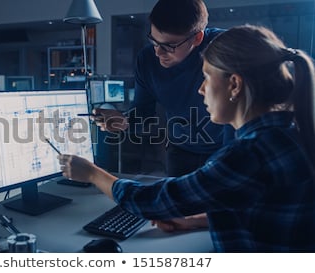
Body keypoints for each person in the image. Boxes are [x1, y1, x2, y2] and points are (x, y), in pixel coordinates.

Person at [59, 24, 315, 252]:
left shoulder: (250, 153)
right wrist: (194, 221)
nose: (200, 89)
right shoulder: (290, 131)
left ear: (235, 84)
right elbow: (257, 211)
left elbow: (152, 202)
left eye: (206, 77)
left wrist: (92, 173)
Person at [94, 0, 231, 177]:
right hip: (180, 150)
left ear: (197, 38)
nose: (158, 52)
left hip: (226, 148)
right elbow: (142, 113)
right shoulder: (147, 60)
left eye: (169, 46)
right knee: (178, 202)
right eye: (154, 40)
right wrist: (125, 121)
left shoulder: (226, 47)